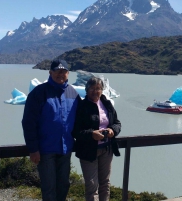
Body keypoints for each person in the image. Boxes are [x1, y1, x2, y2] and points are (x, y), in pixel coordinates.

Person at [22, 59, 81, 201]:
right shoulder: (39, 93)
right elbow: (28, 122)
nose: (60, 74)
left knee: (63, 185)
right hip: (45, 150)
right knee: (49, 189)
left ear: (68, 73)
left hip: (65, 148)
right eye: (57, 71)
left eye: (63, 71)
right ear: (50, 72)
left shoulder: (73, 93)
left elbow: (80, 119)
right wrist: (33, 149)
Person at [72, 76, 121, 201]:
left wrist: (112, 130)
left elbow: (117, 123)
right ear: (87, 90)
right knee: (92, 186)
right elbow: (75, 131)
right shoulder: (81, 107)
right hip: (88, 151)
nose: (95, 91)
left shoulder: (107, 104)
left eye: (98, 88)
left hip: (106, 149)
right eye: (92, 88)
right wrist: (92, 134)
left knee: (105, 183)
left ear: (102, 90)